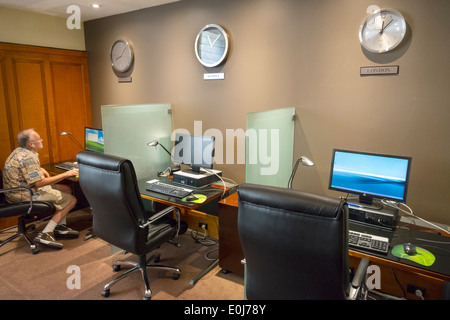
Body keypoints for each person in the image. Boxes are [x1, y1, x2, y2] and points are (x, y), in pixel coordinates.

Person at [3, 129, 79, 249]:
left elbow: (26, 171)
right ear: (31, 144)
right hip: (25, 195)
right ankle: (45, 233)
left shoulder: (19, 151)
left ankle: (59, 226)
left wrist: (40, 169)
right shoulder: (28, 157)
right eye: (39, 139)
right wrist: (66, 174)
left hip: (15, 191)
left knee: (66, 189)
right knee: (72, 200)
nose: (42, 140)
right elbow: (39, 183)